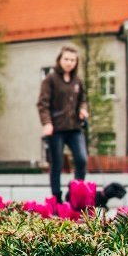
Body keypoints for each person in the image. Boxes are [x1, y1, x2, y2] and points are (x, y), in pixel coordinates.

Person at [37, 45, 89, 199]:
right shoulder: (50, 80)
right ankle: (56, 198)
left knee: (81, 159)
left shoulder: (77, 80)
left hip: (74, 128)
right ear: (59, 60)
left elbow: (83, 100)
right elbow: (43, 103)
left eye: (73, 60)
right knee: (57, 164)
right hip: (56, 129)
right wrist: (47, 123)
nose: (69, 62)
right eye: (66, 59)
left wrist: (83, 109)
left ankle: (75, 194)